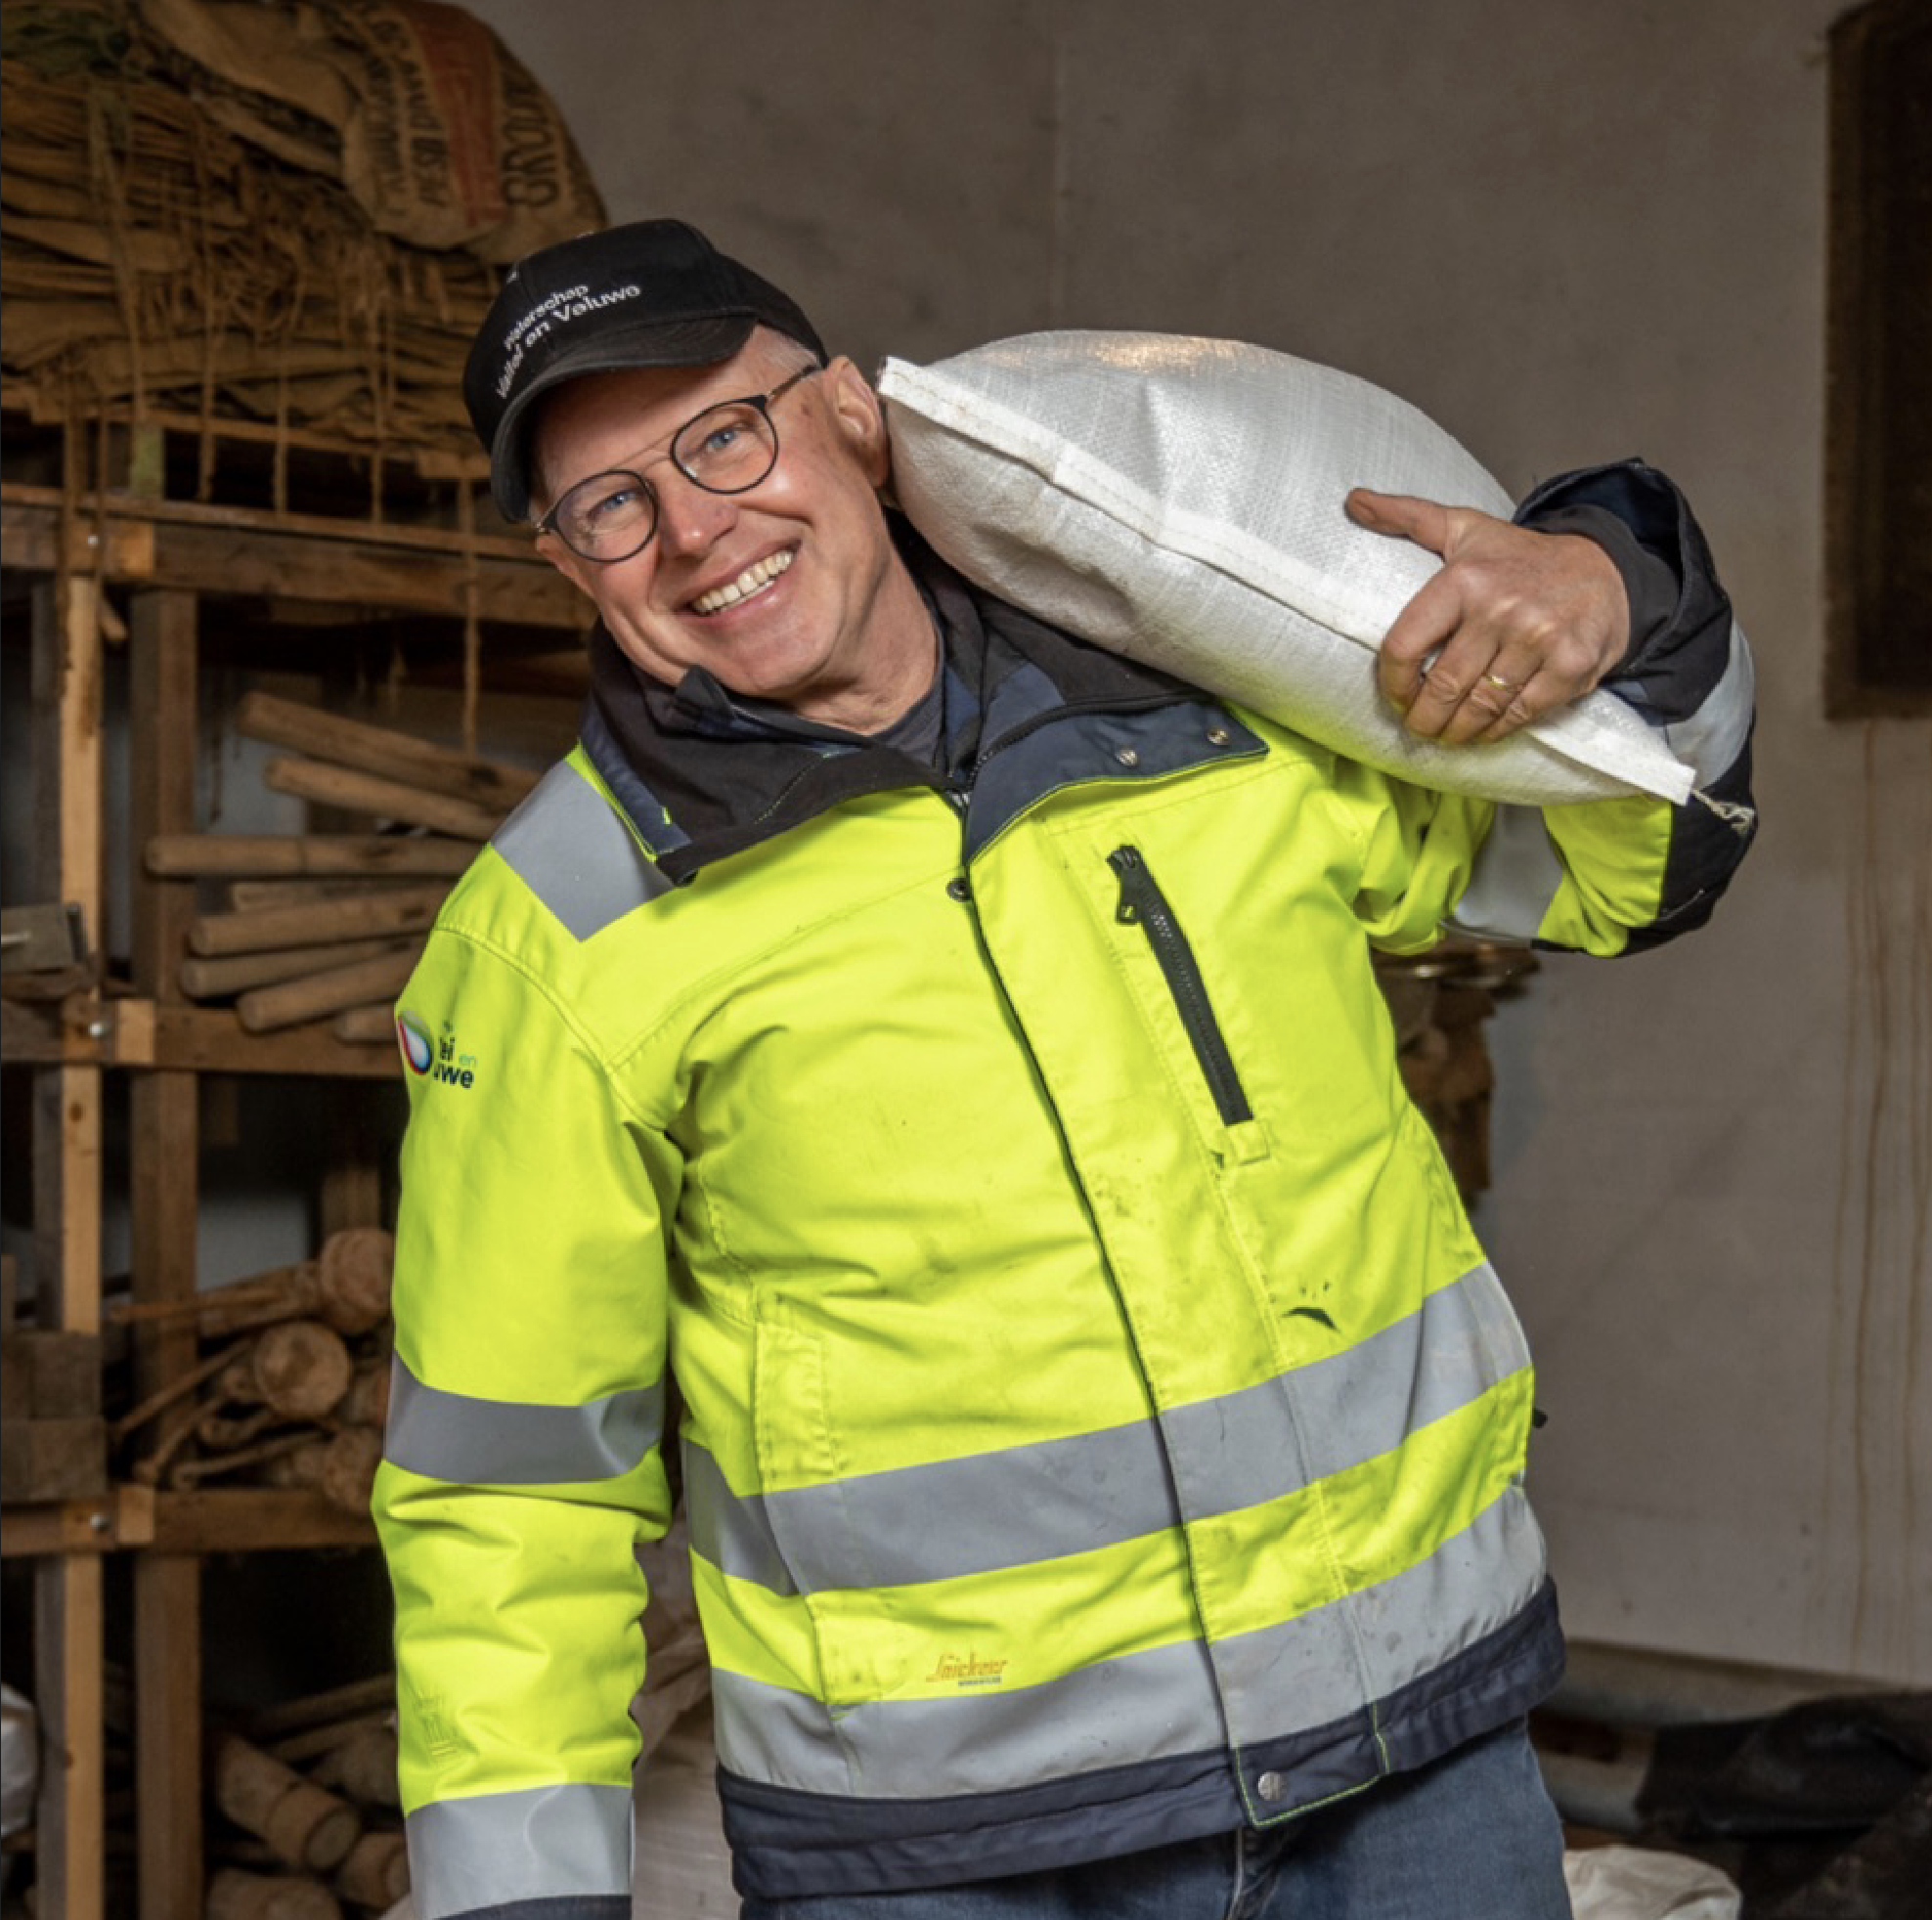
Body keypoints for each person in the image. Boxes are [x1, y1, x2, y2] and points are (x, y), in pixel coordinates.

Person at [373, 219, 1756, 1920]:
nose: (693, 530)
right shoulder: (556, 941)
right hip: (950, 1860)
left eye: (725, 436)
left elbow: (1642, 865)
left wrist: (1624, 581)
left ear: (852, 423)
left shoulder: (1224, 722)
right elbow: (507, 1497)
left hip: (1417, 1769)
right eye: (610, 505)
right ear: (567, 562)